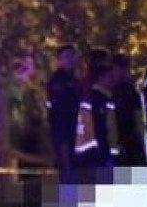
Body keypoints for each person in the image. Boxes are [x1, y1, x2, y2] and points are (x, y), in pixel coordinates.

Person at [73, 64, 120, 177]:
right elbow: (106, 127)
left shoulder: (95, 97)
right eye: (110, 77)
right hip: (100, 153)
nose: (113, 80)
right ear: (101, 78)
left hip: (95, 153)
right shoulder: (99, 99)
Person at [46, 45, 81, 179]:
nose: (70, 60)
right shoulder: (57, 81)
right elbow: (57, 113)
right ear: (59, 60)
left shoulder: (75, 81)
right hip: (64, 135)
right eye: (66, 57)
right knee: (68, 172)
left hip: (77, 134)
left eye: (72, 56)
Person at [107, 53, 147, 167]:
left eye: (124, 67)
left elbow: (138, 116)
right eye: (118, 68)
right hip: (115, 140)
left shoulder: (130, 90)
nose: (122, 71)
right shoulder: (107, 90)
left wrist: (140, 138)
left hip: (131, 139)